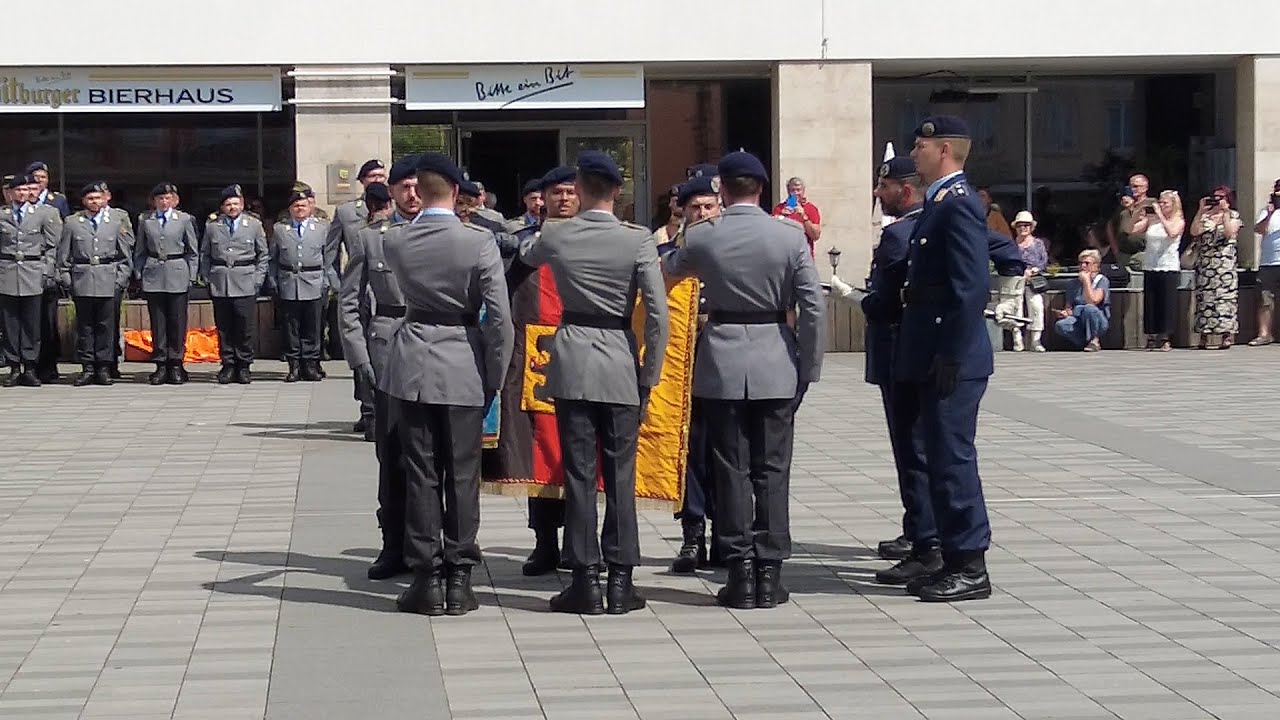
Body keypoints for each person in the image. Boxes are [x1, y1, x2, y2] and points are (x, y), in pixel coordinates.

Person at [664, 150, 823, 609]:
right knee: (772, 469)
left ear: (722, 190)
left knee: (728, 468)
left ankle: (738, 572)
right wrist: (808, 366)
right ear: (762, 189)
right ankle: (770, 573)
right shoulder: (789, 235)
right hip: (776, 354)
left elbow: (669, 271)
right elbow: (812, 304)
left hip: (721, 357)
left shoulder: (703, 235)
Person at [519, 150, 669, 616]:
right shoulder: (638, 240)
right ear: (618, 192)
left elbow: (524, 256)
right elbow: (659, 316)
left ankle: (584, 581)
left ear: (579, 190)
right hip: (620, 359)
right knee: (620, 475)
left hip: (571, 360)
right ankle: (621, 582)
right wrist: (649, 376)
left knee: (580, 475)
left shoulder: (557, 234)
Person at [382, 153, 513, 617]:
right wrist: (495, 377)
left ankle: (426, 576)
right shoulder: (479, 242)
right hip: (464, 360)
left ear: (419, 190)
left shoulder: (395, 241)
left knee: (420, 472)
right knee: (462, 473)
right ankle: (460, 576)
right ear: (457, 193)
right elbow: (499, 319)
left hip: (414, 358)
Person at [895, 116, 994, 603]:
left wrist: (952, 353)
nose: (914, 154)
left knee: (953, 459)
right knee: (936, 455)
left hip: (949, 354)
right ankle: (951, 556)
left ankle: (970, 564)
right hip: (930, 349)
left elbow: (971, 286)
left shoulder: (958, 207)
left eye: (921, 146)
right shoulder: (939, 204)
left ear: (946, 150)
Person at [830, 157, 939, 584]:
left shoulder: (898, 235)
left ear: (905, 191)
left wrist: (853, 298)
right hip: (913, 349)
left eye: (885, 186)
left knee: (911, 449)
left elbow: (884, 302)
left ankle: (925, 541)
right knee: (915, 446)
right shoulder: (928, 225)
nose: (878, 194)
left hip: (897, 352)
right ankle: (917, 529)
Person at [505, 166, 578, 578]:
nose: (564, 199)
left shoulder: (599, 241)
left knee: (580, 454)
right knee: (541, 453)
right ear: (542, 199)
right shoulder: (522, 246)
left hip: (585, 357)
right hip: (535, 361)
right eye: (556, 193)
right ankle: (544, 542)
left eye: (570, 191)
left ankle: (580, 542)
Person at [338, 179, 411, 577]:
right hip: (388, 344)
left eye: (420, 187)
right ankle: (393, 543)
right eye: (404, 188)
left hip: (444, 351)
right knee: (392, 451)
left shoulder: (458, 236)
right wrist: (358, 355)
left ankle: (448, 540)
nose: (413, 195)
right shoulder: (371, 238)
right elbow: (349, 302)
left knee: (445, 456)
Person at [667, 173, 722, 574]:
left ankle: (728, 534)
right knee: (689, 454)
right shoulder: (669, 255)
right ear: (682, 212)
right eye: (695, 208)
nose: (702, 214)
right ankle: (692, 535)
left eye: (709, 206)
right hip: (679, 369)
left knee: (728, 453)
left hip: (723, 364)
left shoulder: (730, 252)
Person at [327, 159, 386, 429]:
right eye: (372, 176)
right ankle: (368, 409)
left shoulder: (394, 210)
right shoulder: (347, 211)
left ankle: (382, 405)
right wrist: (339, 286)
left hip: (386, 291)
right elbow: (331, 253)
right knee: (361, 350)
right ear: (361, 180)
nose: (378, 179)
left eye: (381, 175)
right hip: (359, 290)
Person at [56, 182, 133, 387]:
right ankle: (88, 367)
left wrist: (120, 280)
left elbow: (125, 257)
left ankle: (104, 367)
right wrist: (67, 280)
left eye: (97, 198)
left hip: (108, 279)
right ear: (83, 201)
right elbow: (63, 256)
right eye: (90, 198)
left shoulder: (115, 222)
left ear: (105, 199)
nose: (94, 202)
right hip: (82, 279)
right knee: (85, 327)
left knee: (105, 327)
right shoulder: (73, 222)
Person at [199, 184, 268, 384]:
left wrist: (258, 279)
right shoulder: (213, 226)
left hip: (245, 279)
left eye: (236, 203)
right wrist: (207, 278)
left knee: (244, 326)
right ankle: (228, 364)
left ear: (243, 204)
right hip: (220, 281)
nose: (232, 207)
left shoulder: (253, 225)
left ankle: (244, 364)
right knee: (224, 327)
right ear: (222, 207)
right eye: (228, 204)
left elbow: (263, 254)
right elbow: (205, 255)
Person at [134, 183, 199, 386]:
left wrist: (191, 276)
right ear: (154, 201)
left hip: (177, 270)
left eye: (168, 198)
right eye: (160, 198)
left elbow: (192, 250)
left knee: (177, 322)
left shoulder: (185, 219)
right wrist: (139, 273)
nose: (164, 202)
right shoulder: (146, 220)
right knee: (158, 322)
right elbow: (140, 250)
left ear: (175, 201)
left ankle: (176, 362)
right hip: (154, 273)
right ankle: (161, 364)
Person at [270, 186, 336, 382]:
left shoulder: (323, 228)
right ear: (290, 209)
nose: (299, 209)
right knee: (291, 327)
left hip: (314, 281)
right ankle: (294, 365)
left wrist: (327, 281)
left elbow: (329, 258)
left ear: (310, 207)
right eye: (296, 206)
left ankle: (311, 363)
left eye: (303, 205)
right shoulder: (280, 229)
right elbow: (273, 258)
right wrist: (273, 281)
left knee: (313, 326)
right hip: (289, 282)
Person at [0, 174, 59, 387]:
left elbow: (52, 246)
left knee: (32, 324)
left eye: (26, 190)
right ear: (10, 192)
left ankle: (30, 367)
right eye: (19, 190)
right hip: (7, 272)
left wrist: (47, 271)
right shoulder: (3, 215)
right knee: (10, 324)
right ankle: (14, 367)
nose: (23, 194)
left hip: (33, 271)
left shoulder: (41, 214)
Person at [27, 162, 70, 383]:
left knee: (48, 319)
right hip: (26, 269)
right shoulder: (20, 206)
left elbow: (63, 236)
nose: (39, 181)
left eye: (43, 177)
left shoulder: (57, 202)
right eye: (35, 177)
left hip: (49, 265)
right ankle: (29, 365)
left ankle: (50, 365)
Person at [1130, 190, 1184, 352]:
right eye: (1160, 202)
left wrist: (1160, 215)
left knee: (1166, 302)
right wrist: (1137, 212)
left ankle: (1165, 336)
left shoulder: (1178, 220)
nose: (1161, 205)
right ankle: (1151, 335)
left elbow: (1172, 233)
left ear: (1173, 204)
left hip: (1168, 265)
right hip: (1151, 265)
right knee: (1151, 301)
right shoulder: (1151, 221)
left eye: (1165, 203)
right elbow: (1130, 229)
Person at [1189, 186, 1242, 350]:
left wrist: (1225, 213)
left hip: (1224, 266)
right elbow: (1194, 231)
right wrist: (1200, 211)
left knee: (1225, 300)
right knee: (1205, 300)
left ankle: (1227, 335)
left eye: (1221, 197)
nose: (1217, 200)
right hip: (1206, 264)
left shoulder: (1233, 215)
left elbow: (1229, 234)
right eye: (1215, 197)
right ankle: (1204, 335)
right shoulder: (1206, 216)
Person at [1053, 249, 1111, 351]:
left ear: (1096, 266)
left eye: (1087, 263)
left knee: (1089, 308)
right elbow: (1069, 306)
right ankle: (1083, 343)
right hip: (1077, 318)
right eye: (1081, 263)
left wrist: (1086, 281)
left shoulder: (1101, 280)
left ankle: (1094, 340)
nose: (1083, 266)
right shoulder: (1072, 283)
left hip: (1097, 320)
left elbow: (1093, 301)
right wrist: (1065, 313)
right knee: (1061, 325)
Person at [1011, 211, 1049, 352]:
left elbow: (1043, 262)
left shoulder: (1038, 244)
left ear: (1031, 227)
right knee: (1016, 309)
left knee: (1037, 307)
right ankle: (1017, 339)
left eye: (1026, 225)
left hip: (1034, 280)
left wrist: (1032, 271)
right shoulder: (1011, 244)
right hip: (1016, 279)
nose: (1023, 228)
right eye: (1020, 225)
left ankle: (1035, 340)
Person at [1249, 179, 1280, 346]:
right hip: (1269, 261)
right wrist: (1269, 214)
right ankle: (1264, 333)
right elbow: (1259, 230)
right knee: (1265, 298)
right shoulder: (1267, 211)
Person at [770, 176, 821, 257]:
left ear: (803, 191)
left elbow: (815, 236)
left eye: (798, 190)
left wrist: (804, 217)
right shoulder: (779, 208)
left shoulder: (811, 209)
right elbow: (770, 234)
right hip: (784, 256)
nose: (795, 193)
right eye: (792, 190)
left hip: (804, 256)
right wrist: (781, 217)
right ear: (788, 191)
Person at [1115, 174, 1155, 270]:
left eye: (1136, 186)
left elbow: (1146, 224)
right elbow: (1112, 224)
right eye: (1131, 186)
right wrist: (1115, 249)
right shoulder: (1123, 206)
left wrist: (1131, 208)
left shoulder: (1150, 204)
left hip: (1141, 252)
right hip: (1123, 253)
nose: (1133, 189)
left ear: (1145, 188)